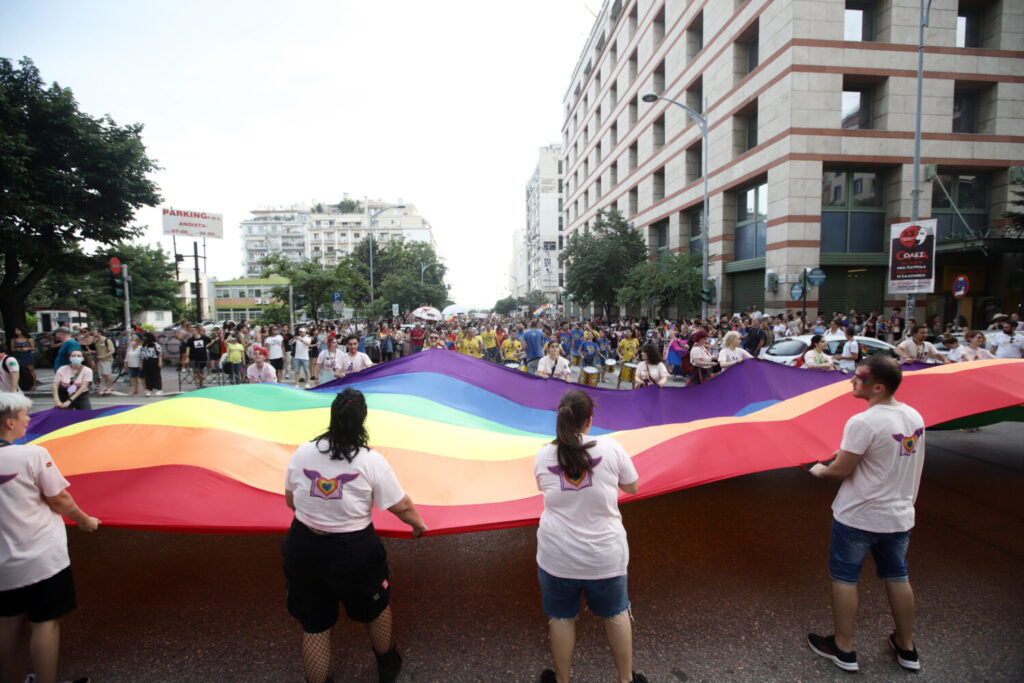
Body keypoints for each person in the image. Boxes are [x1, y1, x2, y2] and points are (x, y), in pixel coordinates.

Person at [282, 388, 427, 683]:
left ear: (332, 417)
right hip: (354, 552)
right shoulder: (370, 461)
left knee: (315, 626)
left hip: (303, 547)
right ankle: (387, 665)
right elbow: (401, 505)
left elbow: (291, 500)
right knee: (376, 608)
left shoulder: (303, 452)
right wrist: (418, 525)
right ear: (362, 421)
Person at [807, 355, 925, 673]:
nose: (852, 381)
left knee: (845, 578)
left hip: (859, 516)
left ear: (878, 387)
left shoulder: (863, 422)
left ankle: (843, 648)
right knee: (898, 576)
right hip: (898, 516)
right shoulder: (914, 415)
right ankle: (907, 646)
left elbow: (840, 470)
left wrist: (819, 469)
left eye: (859, 377)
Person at [534, 390, 645, 683]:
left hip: (557, 555)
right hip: (605, 555)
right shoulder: (611, 448)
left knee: (560, 618)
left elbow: (543, 488)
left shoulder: (544, 454)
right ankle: (626, 680)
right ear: (589, 421)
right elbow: (632, 487)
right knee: (616, 613)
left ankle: (562, 680)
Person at [0, 393, 99, 683]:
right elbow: (59, 498)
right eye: (23, 416)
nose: (28, 419)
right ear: (9, 423)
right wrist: (84, 521)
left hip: (3, 562)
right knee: (45, 622)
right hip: (40, 558)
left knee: (7, 623)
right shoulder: (31, 455)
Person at [92, 330, 115, 395]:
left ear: (99, 333)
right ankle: (104, 387)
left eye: (95, 332)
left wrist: (104, 356)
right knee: (101, 374)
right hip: (99, 360)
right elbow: (97, 350)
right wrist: (92, 351)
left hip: (107, 360)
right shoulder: (97, 341)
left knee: (107, 373)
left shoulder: (107, 340)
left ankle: (111, 387)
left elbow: (112, 350)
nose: (94, 333)